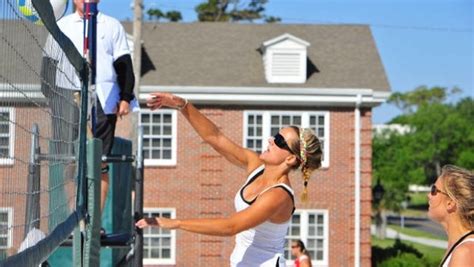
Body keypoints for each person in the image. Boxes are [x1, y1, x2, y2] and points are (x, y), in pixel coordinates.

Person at [136, 92, 323, 266]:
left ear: (291, 158)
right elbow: (214, 137)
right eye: (275, 135)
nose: (270, 140)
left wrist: (176, 223)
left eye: (280, 141)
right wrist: (182, 105)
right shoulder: (256, 166)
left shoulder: (279, 196)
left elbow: (230, 226)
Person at [41, 0, 138, 225]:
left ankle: (93, 221)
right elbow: (47, 67)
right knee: (70, 159)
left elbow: (124, 63)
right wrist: (54, 98)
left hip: (103, 99)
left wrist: (125, 97)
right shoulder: (61, 26)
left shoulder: (112, 25)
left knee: (100, 161)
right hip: (67, 97)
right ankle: (72, 220)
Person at [427, 165, 474, 267]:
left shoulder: (464, 252)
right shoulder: (460, 246)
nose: (429, 195)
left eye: (434, 190)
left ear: (450, 203)